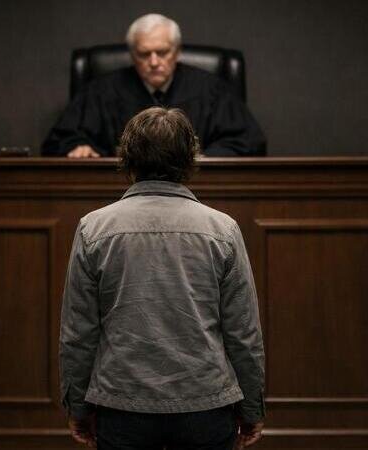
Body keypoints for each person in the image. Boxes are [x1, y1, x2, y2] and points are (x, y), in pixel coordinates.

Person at [59, 107, 265, 449]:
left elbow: (78, 333)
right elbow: (243, 333)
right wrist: (252, 408)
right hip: (205, 405)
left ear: (127, 158)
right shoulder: (223, 230)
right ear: (189, 157)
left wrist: (78, 407)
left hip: (122, 405)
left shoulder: (93, 229)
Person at [42, 13, 266, 158]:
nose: (154, 62)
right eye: (144, 54)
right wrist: (79, 147)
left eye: (162, 52)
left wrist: (205, 158)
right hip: (117, 192)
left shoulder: (211, 89)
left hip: (198, 192)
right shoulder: (101, 91)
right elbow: (58, 141)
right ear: (132, 55)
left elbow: (249, 142)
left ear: (177, 52)